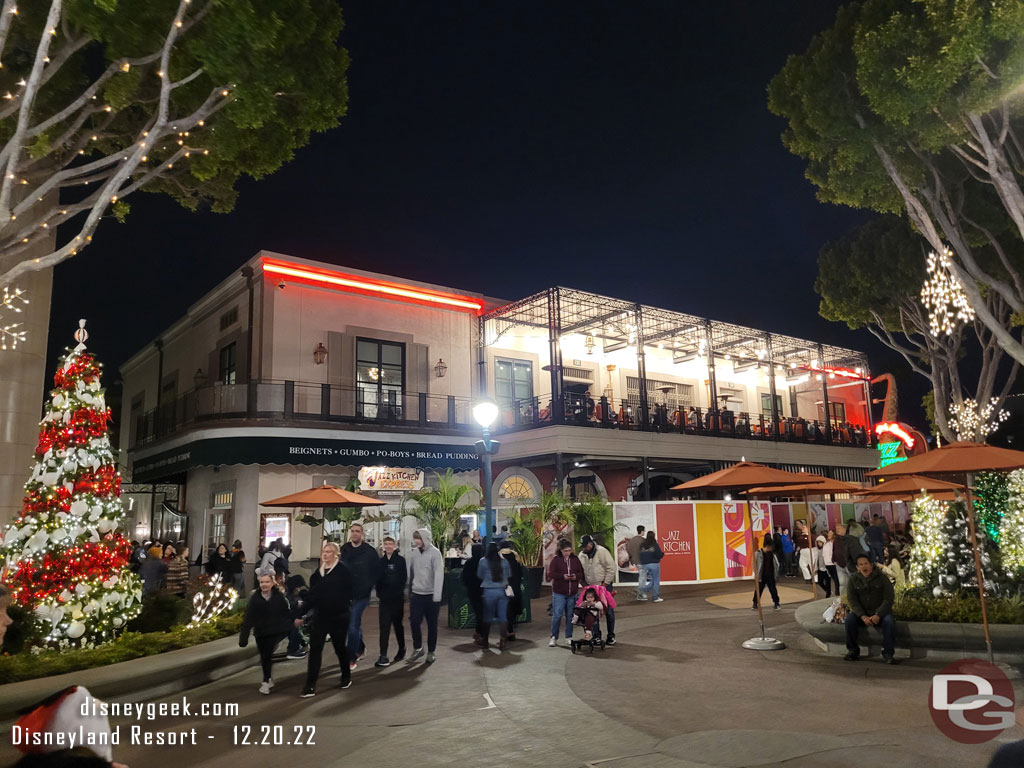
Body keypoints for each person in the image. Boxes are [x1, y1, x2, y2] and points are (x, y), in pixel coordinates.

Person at [295, 542, 353, 697]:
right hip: (321, 617)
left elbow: (347, 593)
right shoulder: (317, 575)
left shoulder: (343, 572)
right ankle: (310, 685)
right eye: (324, 551)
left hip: (339, 616)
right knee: (315, 649)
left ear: (336, 554)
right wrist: (300, 613)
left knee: (339, 647)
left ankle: (346, 676)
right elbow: (313, 597)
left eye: (329, 552)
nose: (325, 554)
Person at [239, 568, 292, 694]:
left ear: (272, 583)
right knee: (264, 656)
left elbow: (286, 614)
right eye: (262, 582)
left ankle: (266, 680)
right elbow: (248, 618)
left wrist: (287, 627)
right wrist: (244, 637)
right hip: (261, 632)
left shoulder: (278, 597)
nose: (264, 585)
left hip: (274, 631)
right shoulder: (255, 599)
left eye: (267, 582)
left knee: (266, 655)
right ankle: (268, 678)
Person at [844, 553, 897, 664]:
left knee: (889, 622)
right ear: (857, 567)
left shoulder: (882, 578)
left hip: (880, 613)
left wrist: (878, 614)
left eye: (866, 564)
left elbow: (888, 598)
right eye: (861, 564)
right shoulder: (853, 579)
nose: (864, 567)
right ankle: (853, 650)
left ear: (871, 565)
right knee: (849, 620)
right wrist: (862, 616)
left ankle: (888, 653)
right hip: (862, 614)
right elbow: (852, 600)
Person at [340, 522, 378, 670]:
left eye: (357, 531)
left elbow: (376, 570)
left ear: (362, 534)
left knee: (353, 625)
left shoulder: (369, 551)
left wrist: (369, 584)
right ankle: (361, 647)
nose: (354, 533)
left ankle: (351, 656)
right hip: (346, 594)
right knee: (354, 624)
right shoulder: (345, 549)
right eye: (353, 531)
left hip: (362, 594)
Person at [408, 528, 444, 664]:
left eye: (419, 538)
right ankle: (418, 647)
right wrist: (410, 591)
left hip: (431, 596)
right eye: (415, 538)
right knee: (414, 621)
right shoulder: (414, 553)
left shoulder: (435, 553)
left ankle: (431, 651)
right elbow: (411, 573)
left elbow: (439, 575)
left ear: (425, 538)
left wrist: (437, 596)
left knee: (432, 624)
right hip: (417, 594)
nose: (416, 541)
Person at [375, 535, 407, 667]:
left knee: (398, 625)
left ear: (394, 546)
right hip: (384, 600)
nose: (388, 546)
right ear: (383, 546)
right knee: (384, 627)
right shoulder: (380, 562)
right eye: (386, 543)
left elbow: (403, 578)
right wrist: (380, 594)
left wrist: (397, 592)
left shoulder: (400, 561)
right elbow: (377, 580)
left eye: (390, 544)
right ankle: (383, 654)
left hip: (397, 599)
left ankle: (402, 648)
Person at [579, 534, 617, 644]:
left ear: (590, 544)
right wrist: (583, 583)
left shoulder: (602, 551)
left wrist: (605, 584)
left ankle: (611, 636)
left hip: (604, 586)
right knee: (592, 611)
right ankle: (596, 636)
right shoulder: (582, 555)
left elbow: (612, 568)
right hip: (590, 587)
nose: (583, 548)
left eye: (584, 546)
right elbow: (580, 570)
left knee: (608, 611)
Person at [546, 538, 584, 647]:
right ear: (561, 550)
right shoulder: (556, 560)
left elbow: (581, 573)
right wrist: (563, 577)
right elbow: (551, 574)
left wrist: (575, 577)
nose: (567, 553)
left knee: (570, 616)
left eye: (569, 550)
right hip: (559, 593)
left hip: (572, 593)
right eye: (565, 551)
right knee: (557, 615)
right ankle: (553, 637)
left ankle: (568, 637)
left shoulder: (575, 559)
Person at [476, 542, 511, 650]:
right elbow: (509, 575)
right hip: (502, 591)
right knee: (503, 616)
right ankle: (502, 641)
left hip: (488, 592)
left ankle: (485, 641)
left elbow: (479, 575)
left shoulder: (482, 561)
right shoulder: (504, 562)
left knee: (487, 616)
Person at [461, 543, 486, 644]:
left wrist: (468, 586)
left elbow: (464, 577)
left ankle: (480, 632)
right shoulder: (484, 562)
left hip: (472, 590)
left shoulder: (469, 563)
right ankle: (482, 633)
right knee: (483, 611)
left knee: (478, 611)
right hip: (483, 590)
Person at [500, 540, 524, 640]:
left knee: (506, 607)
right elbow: (521, 572)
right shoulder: (516, 556)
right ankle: (512, 623)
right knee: (513, 605)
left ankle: (508, 629)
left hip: (505, 585)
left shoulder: (499, 557)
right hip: (515, 585)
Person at [283, 574, 309, 660]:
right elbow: (289, 611)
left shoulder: (297, 596)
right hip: (287, 621)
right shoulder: (289, 598)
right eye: (298, 587)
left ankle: (295, 647)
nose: (299, 589)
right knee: (294, 627)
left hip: (292, 619)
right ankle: (292, 650)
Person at [752, 537, 781, 610]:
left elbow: (776, 564)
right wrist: (756, 573)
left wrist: (776, 573)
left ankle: (776, 603)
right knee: (758, 590)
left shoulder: (772, 554)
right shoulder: (758, 553)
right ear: (768, 546)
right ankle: (755, 603)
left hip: (770, 575)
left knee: (773, 590)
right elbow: (754, 564)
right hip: (762, 575)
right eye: (771, 547)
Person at [638, 531, 664, 602]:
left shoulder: (642, 545)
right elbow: (658, 554)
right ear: (653, 536)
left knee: (653, 580)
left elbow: (641, 555)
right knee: (656, 581)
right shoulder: (655, 544)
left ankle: (642, 590)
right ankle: (655, 597)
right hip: (654, 564)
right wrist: (662, 554)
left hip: (645, 565)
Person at [625, 525, 646, 598]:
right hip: (642, 561)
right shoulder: (643, 540)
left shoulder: (632, 540)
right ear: (642, 531)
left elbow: (628, 549)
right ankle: (640, 592)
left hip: (635, 561)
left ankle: (640, 590)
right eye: (644, 531)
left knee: (642, 576)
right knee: (642, 577)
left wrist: (632, 558)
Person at [823, 531, 840, 597]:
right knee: (835, 580)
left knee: (837, 581)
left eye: (830, 533)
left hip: (834, 564)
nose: (828, 534)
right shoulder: (827, 543)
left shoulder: (835, 543)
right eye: (828, 533)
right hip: (828, 564)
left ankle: (838, 594)